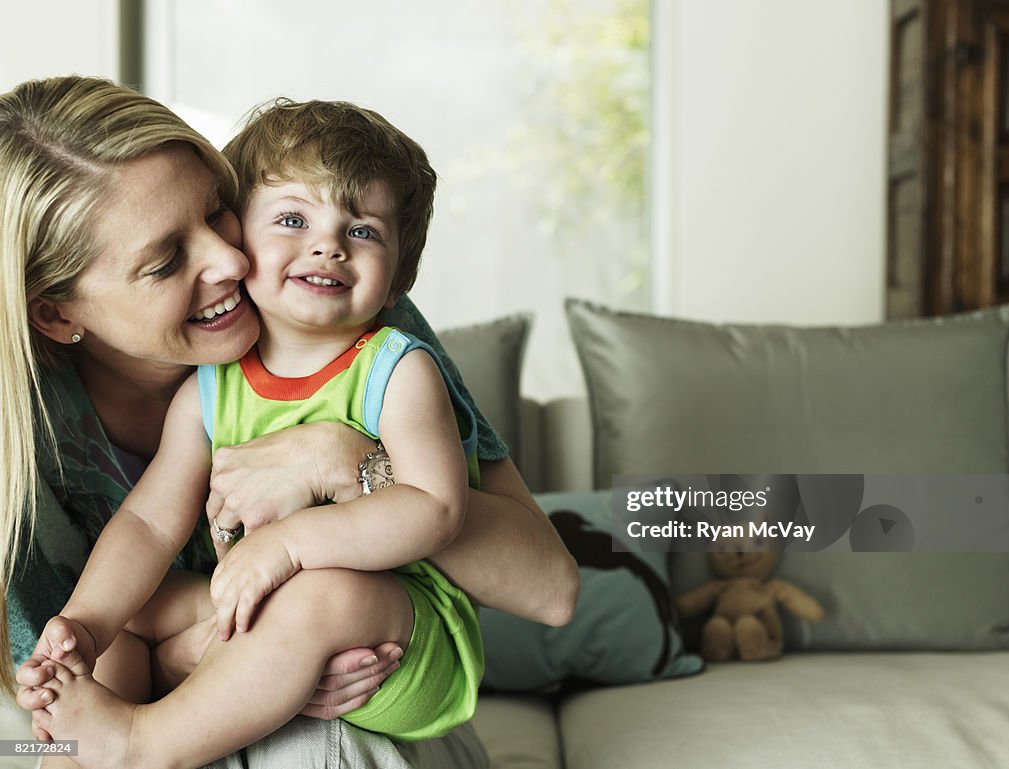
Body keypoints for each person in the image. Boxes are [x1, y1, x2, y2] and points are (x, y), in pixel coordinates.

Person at [3, 76, 578, 768]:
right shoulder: (35, 434)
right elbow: (61, 683)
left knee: (311, 722)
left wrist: (344, 462)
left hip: (374, 663)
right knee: (103, 662)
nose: (231, 259)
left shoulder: (347, 313)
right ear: (57, 313)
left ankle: (146, 742)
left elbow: (550, 588)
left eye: (218, 212)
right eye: (164, 261)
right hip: (200, 657)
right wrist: (189, 649)